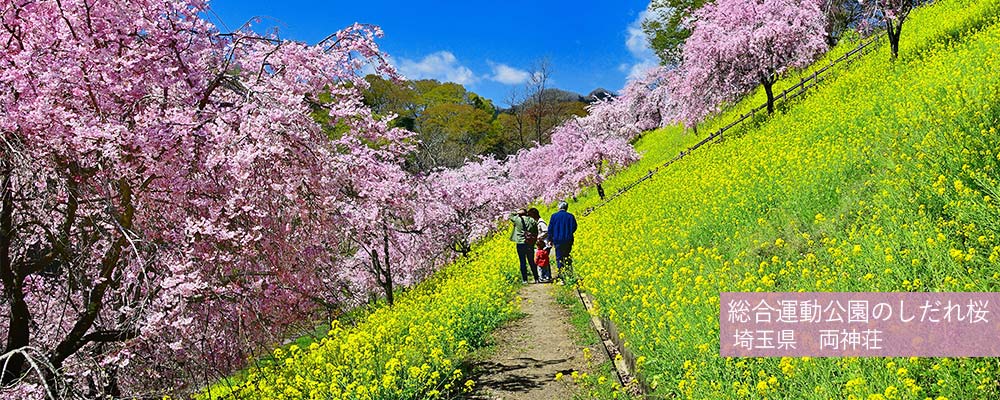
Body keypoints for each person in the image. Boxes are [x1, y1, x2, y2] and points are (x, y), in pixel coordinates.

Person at [547, 201, 577, 283]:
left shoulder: (554, 216)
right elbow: (574, 227)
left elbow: (550, 229)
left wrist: (550, 239)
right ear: (566, 208)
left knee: (559, 258)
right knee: (567, 256)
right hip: (568, 240)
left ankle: (561, 277)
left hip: (557, 240)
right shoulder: (571, 216)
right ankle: (569, 275)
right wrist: (568, 232)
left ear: (559, 207)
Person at [509, 208, 539, 283]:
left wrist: (517, 212)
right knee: (531, 261)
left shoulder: (517, 219)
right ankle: (536, 278)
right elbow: (536, 231)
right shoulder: (531, 220)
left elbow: (510, 215)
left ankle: (525, 280)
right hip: (529, 243)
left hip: (520, 243)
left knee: (522, 262)